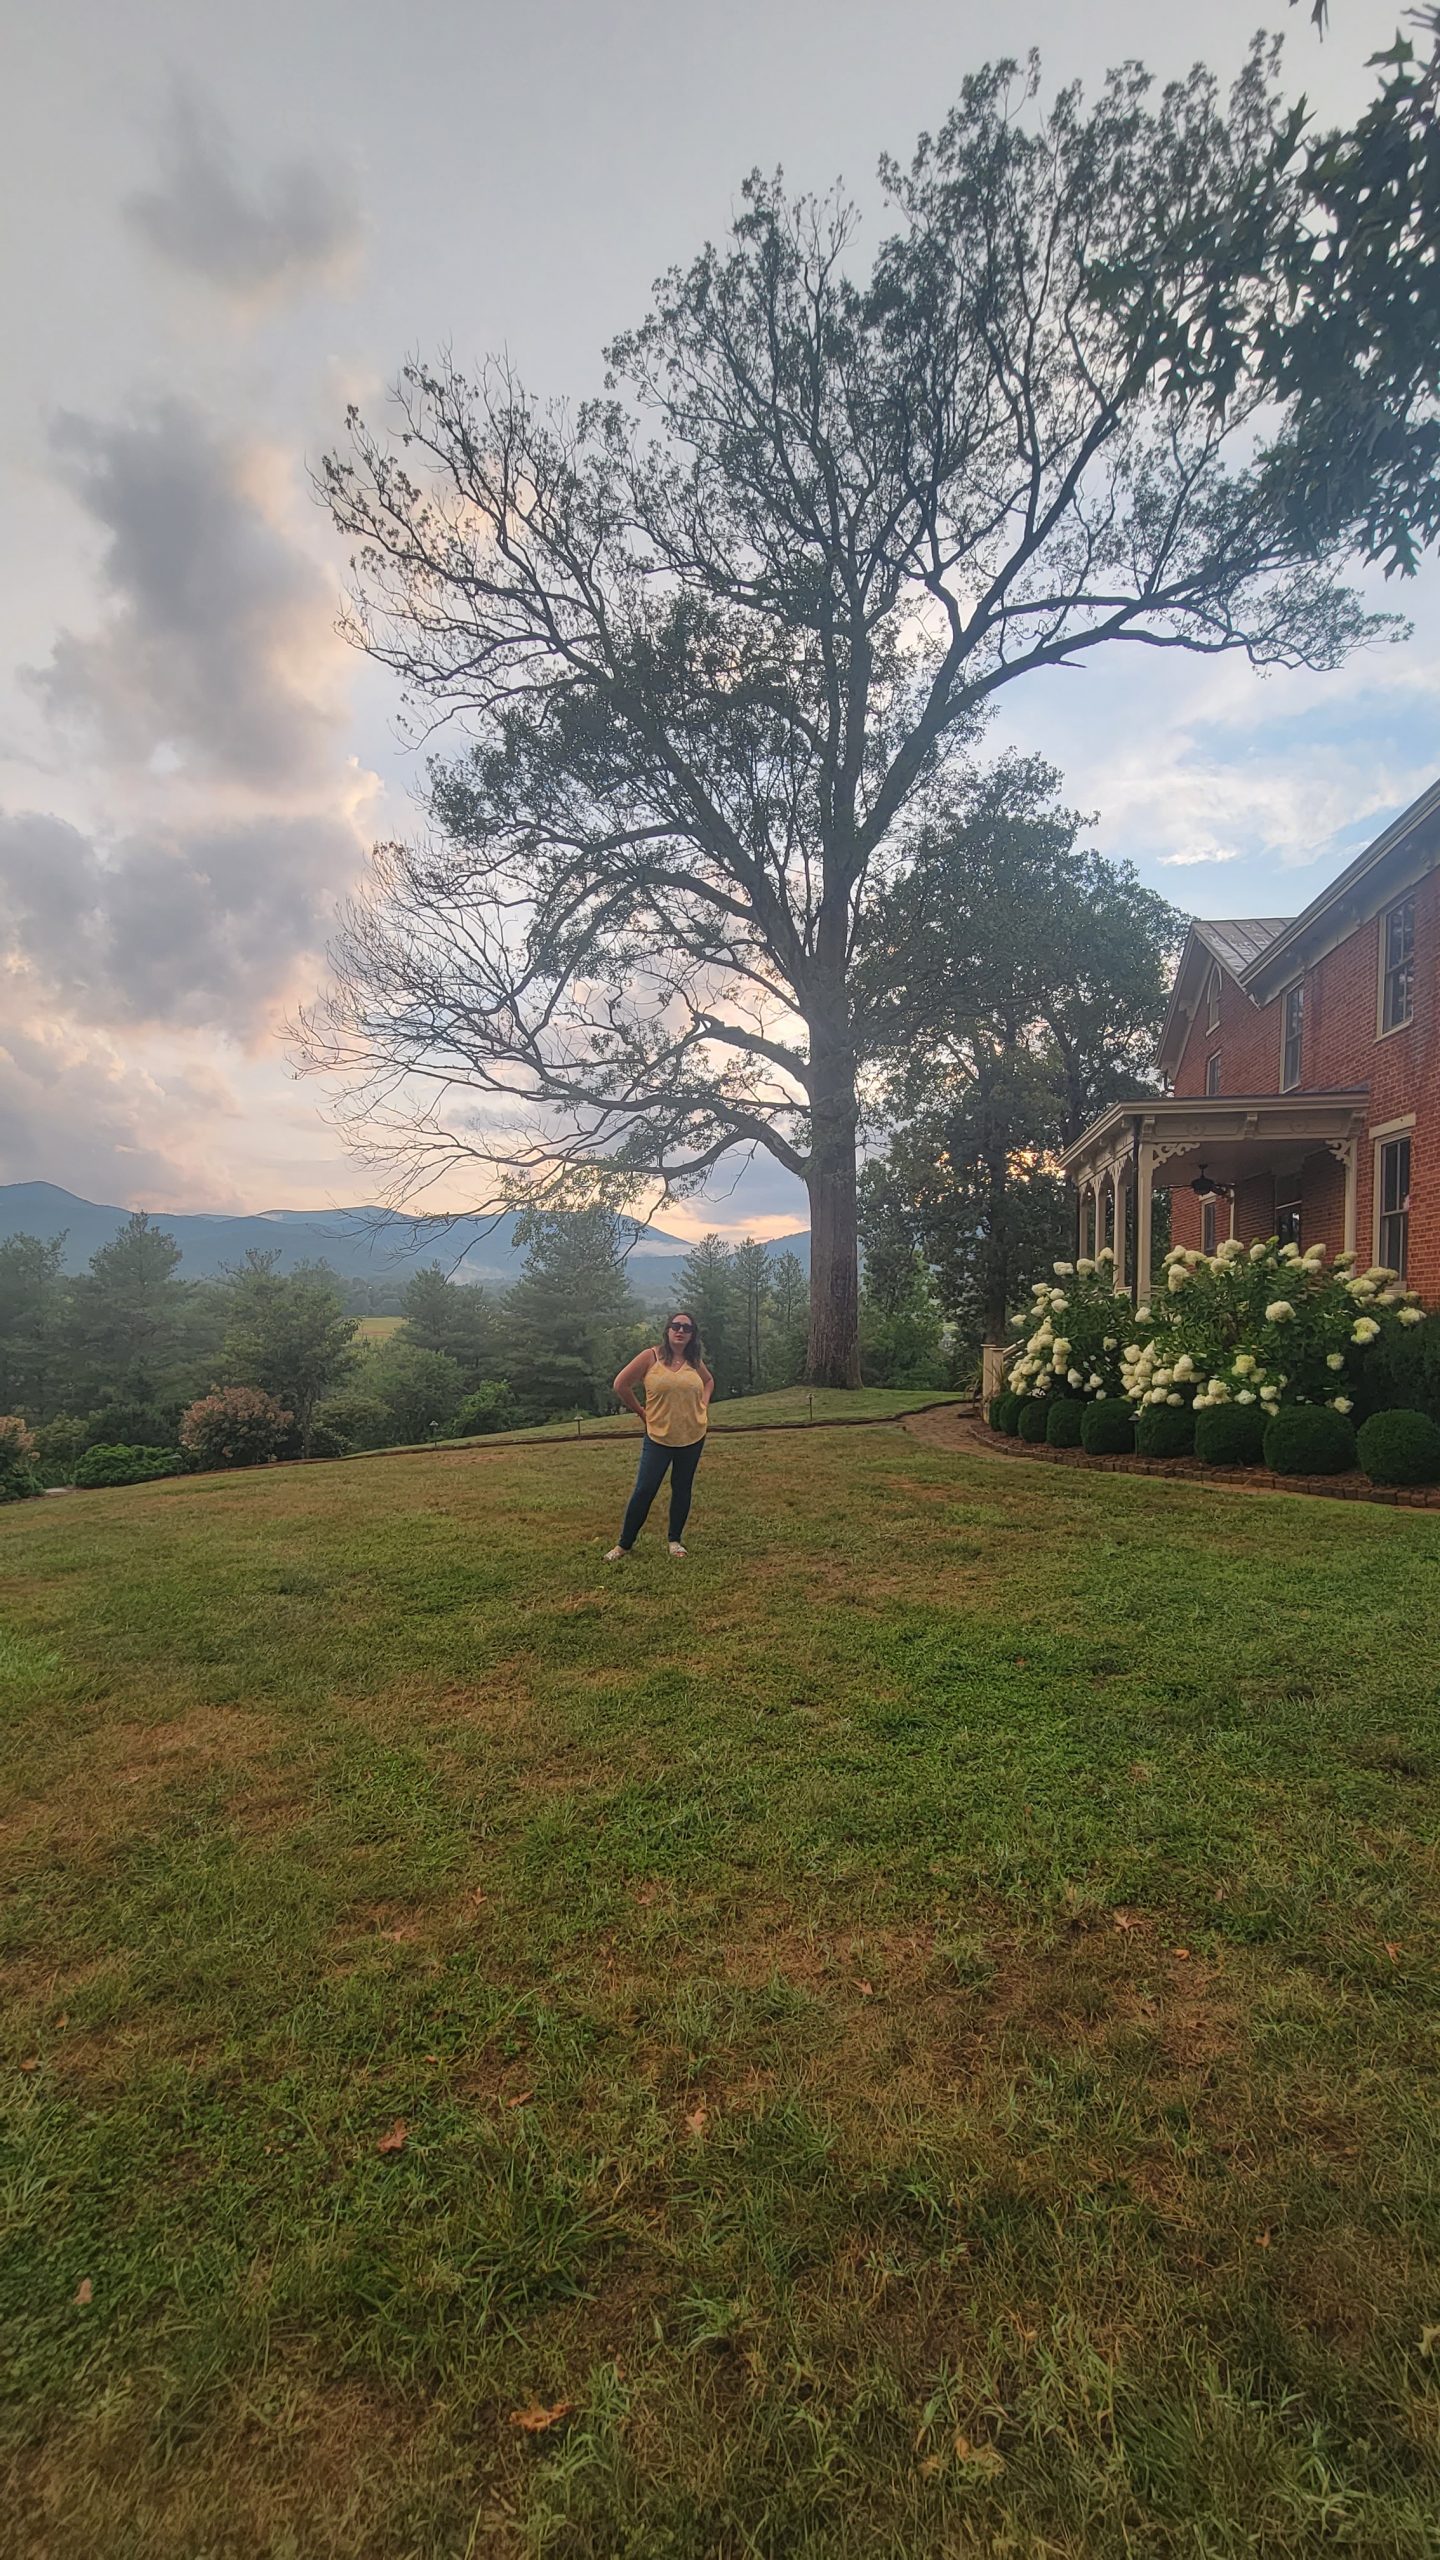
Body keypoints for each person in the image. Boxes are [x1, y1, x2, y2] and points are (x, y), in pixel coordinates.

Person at [607, 1312, 714, 1559]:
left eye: (686, 1328)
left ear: (692, 1335)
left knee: (682, 1487)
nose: (680, 1330)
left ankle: (675, 1541)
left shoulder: (693, 1360)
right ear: (667, 1330)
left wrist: (703, 1405)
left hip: (692, 1435)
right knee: (645, 1489)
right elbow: (621, 1384)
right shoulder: (651, 1356)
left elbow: (708, 1382)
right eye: (675, 1326)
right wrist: (642, 1413)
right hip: (658, 1437)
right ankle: (624, 1544)